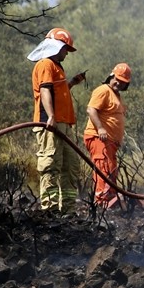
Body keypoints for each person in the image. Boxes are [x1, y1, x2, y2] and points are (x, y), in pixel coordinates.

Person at [27, 27, 86, 212]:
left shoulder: (56, 67)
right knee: (50, 165)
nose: (66, 54)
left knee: (71, 167)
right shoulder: (45, 64)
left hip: (63, 123)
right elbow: (45, 90)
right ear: (54, 46)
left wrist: (72, 83)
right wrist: (51, 116)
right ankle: (50, 210)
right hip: (51, 123)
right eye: (64, 49)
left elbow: (56, 92)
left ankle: (67, 210)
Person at [83, 63, 131, 209]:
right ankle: (101, 205)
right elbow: (91, 110)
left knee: (110, 171)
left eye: (123, 82)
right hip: (99, 138)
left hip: (110, 142)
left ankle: (108, 204)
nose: (119, 83)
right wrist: (101, 128)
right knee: (103, 169)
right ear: (111, 76)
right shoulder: (103, 90)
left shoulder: (116, 95)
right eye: (117, 79)